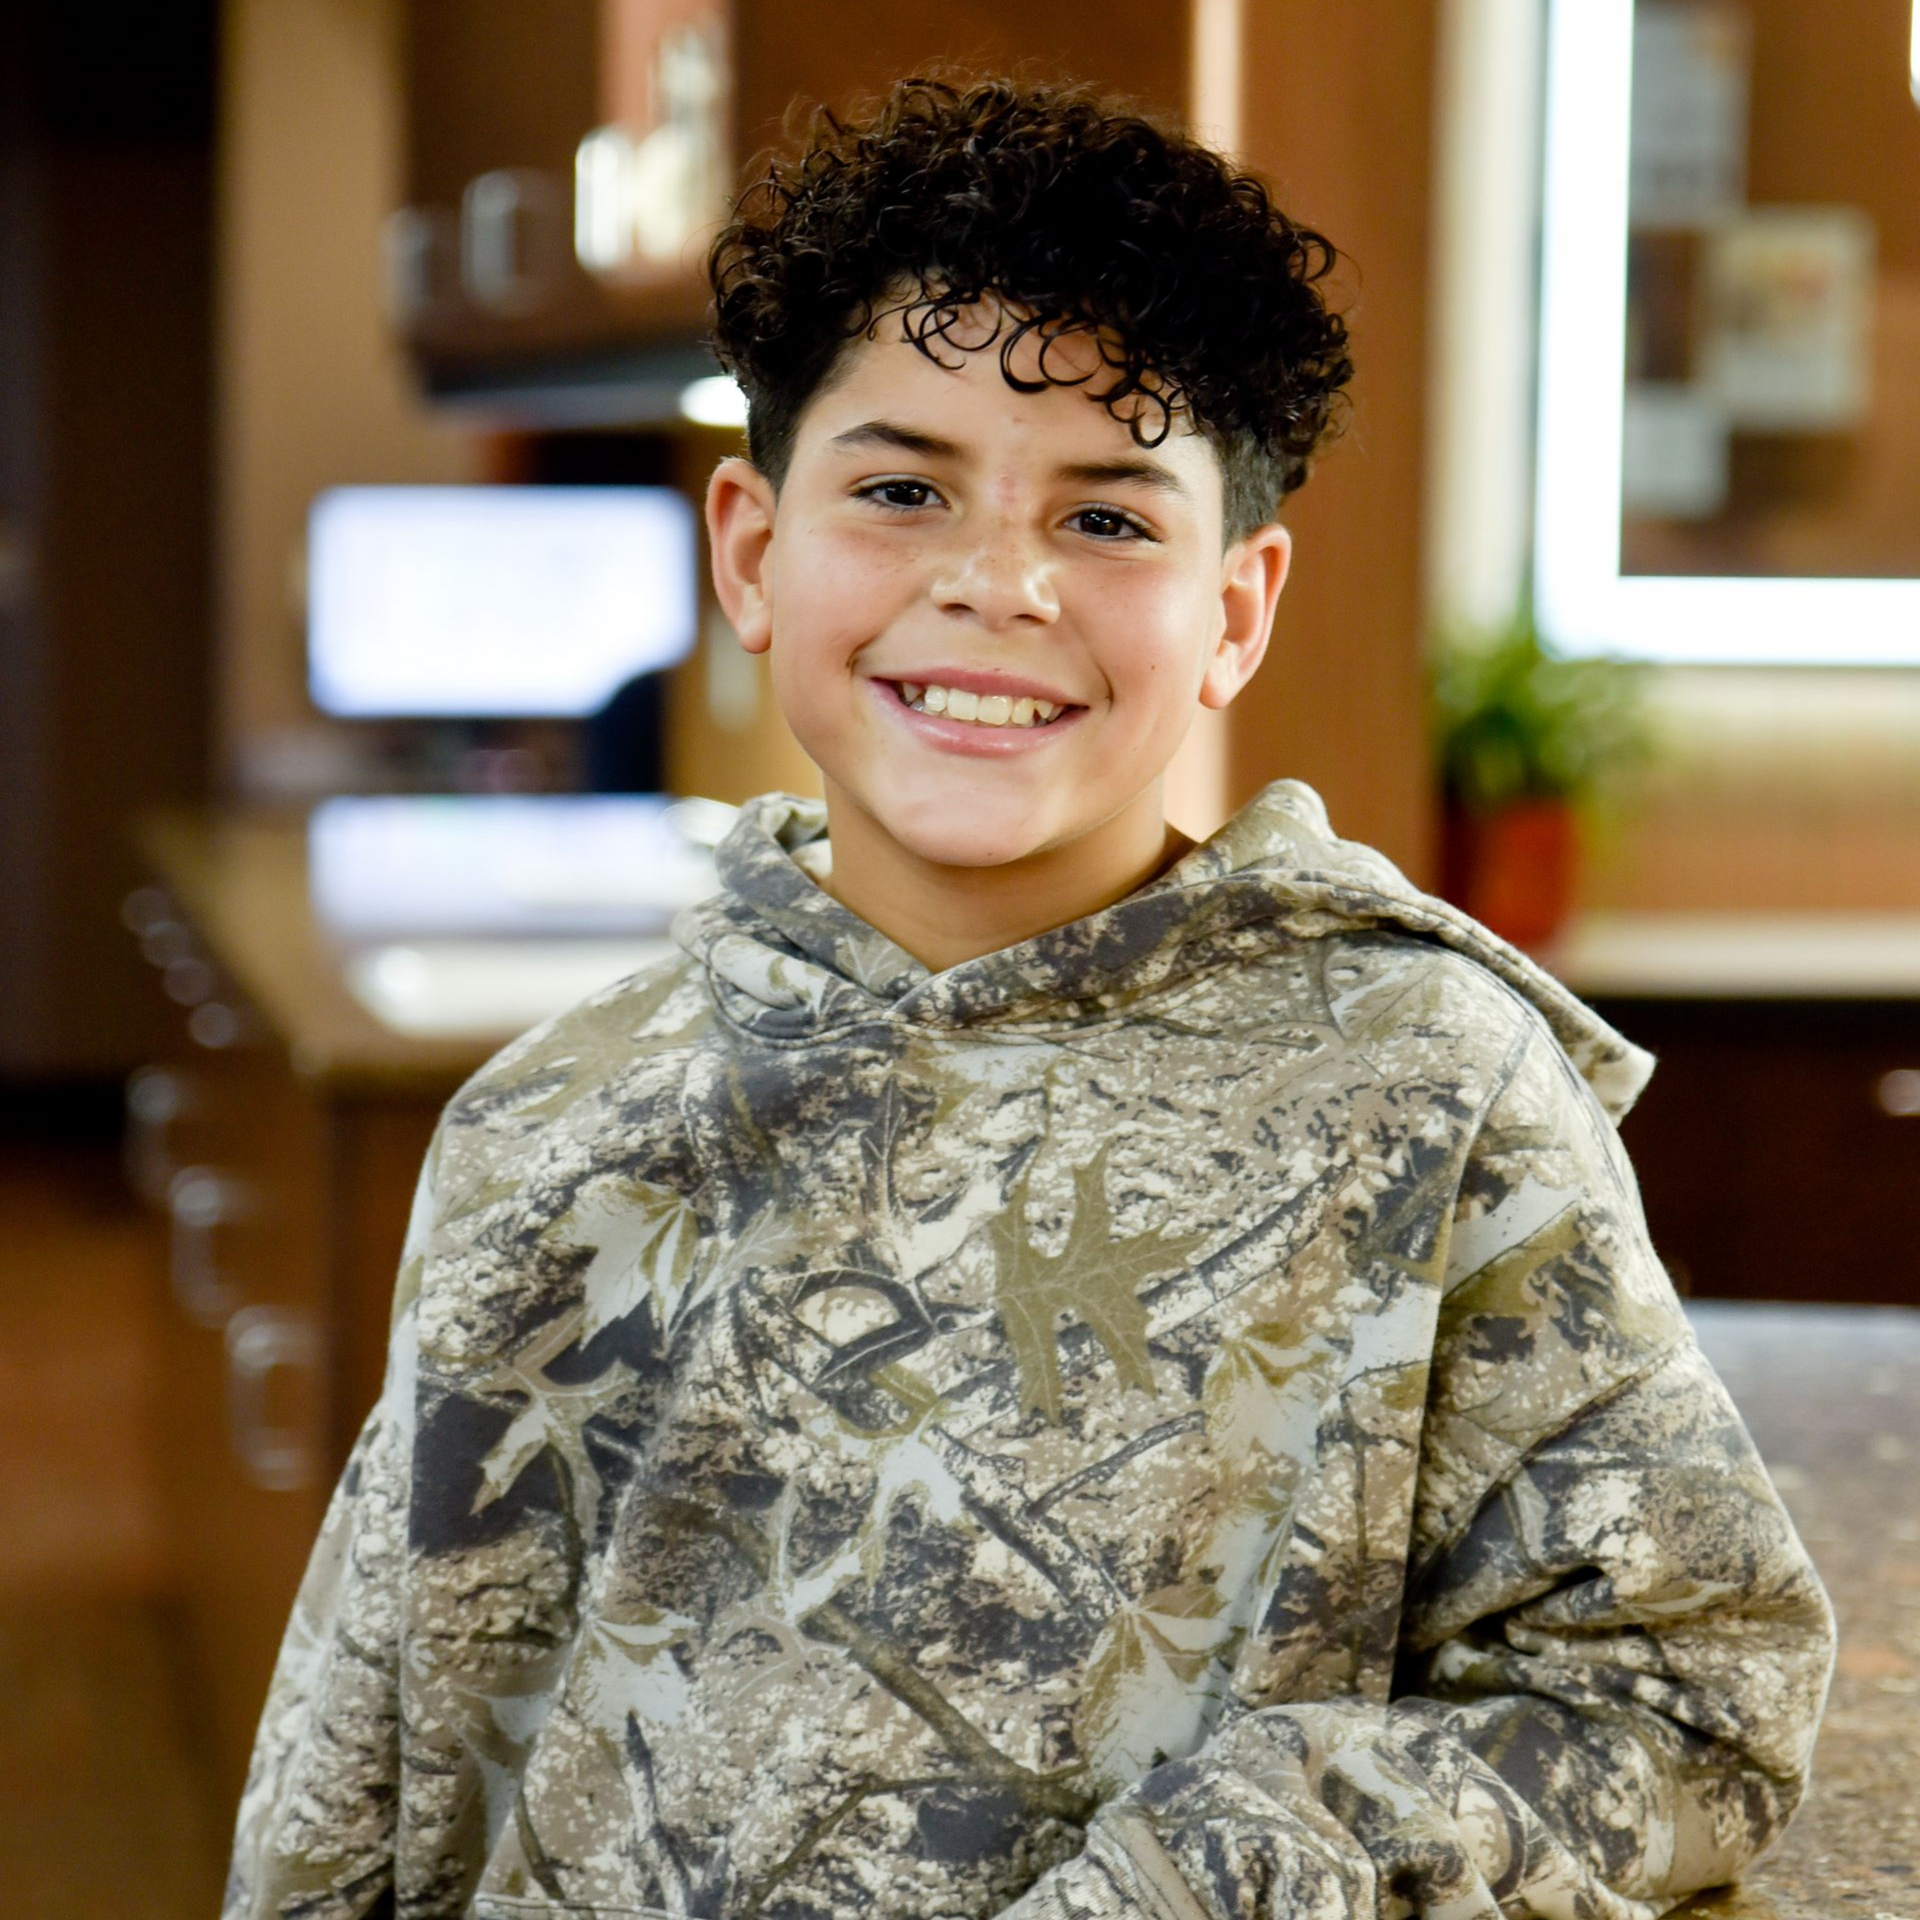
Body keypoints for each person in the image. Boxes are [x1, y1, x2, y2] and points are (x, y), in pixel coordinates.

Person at [226, 74, 1835, 1920]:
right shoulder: (546, 1127)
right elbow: (359, 1785)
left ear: (1237, 608)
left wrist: (1220, 1871)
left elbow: (1686, 1697)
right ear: (754, 551)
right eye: (903, 489)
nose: (995, 583)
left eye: (1111, 519)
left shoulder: (1427, 1093)